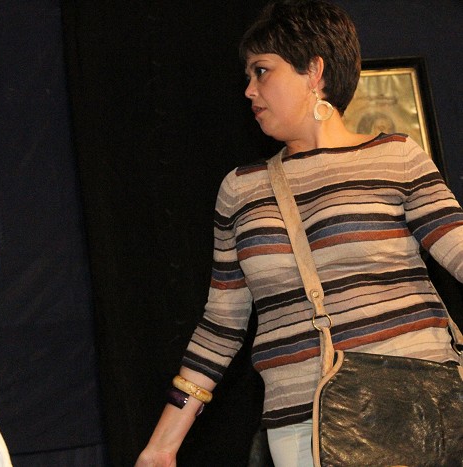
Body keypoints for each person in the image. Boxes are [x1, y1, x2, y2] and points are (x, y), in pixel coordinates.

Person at [136, 1, 463, 466]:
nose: (249, 90)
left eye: (262, 71)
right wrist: (162, 445)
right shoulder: (240, 189)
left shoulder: (396, 157)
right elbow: (220, 327)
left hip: (414, 414)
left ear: (314, 71)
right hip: (297, 425)